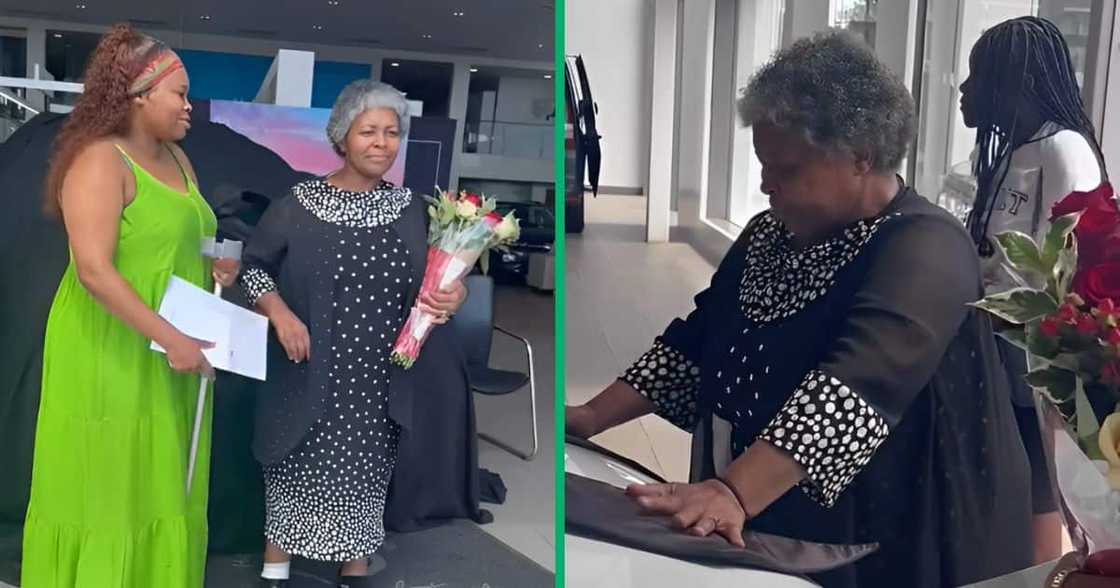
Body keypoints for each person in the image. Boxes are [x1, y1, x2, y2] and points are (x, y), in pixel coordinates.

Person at [566, 31, 1034, 587]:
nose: (766, 185)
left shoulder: (926, 246)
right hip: (768, 498)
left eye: (786, 170)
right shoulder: (772, 232)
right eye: (764, 165)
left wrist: (734, 490)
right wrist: (589, 418)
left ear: (861, 156)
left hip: (884, 525)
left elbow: (858, 385)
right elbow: (697, 340)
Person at [21, 24, 238, 587]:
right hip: (112, 348)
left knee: (164, 479)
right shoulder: (99, 161)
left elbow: (182, 238)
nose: (191, 106)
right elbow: (93, 270)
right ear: (140, 95)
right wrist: (172, 339)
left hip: (170, 348)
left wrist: (216, 264)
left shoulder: (179, 160)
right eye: (180, 93)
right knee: (112, 486)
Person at [239, 80, 469, 588]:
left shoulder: (414, 210)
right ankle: (274, 569)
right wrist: (280, 313)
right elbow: (253, 270)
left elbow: (442, 283)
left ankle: (355, 573)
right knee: (294, 469)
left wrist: (454, 298)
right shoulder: (299, 203)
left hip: (379, 378)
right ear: (342, 137)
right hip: (307, 370)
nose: (381, 143)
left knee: (364, 481)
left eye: (391, 132)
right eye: (368, 131)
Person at [959, 15, 1108, 563]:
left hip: (1031, 347)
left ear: (1015, 83)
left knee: (1039, 467)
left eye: (979, 76)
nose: (964, 89)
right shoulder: (1005, 155)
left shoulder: (1062, 150)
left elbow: (1077, 256)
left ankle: (1046, 569)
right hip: (992, 336)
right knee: (1009, 463)